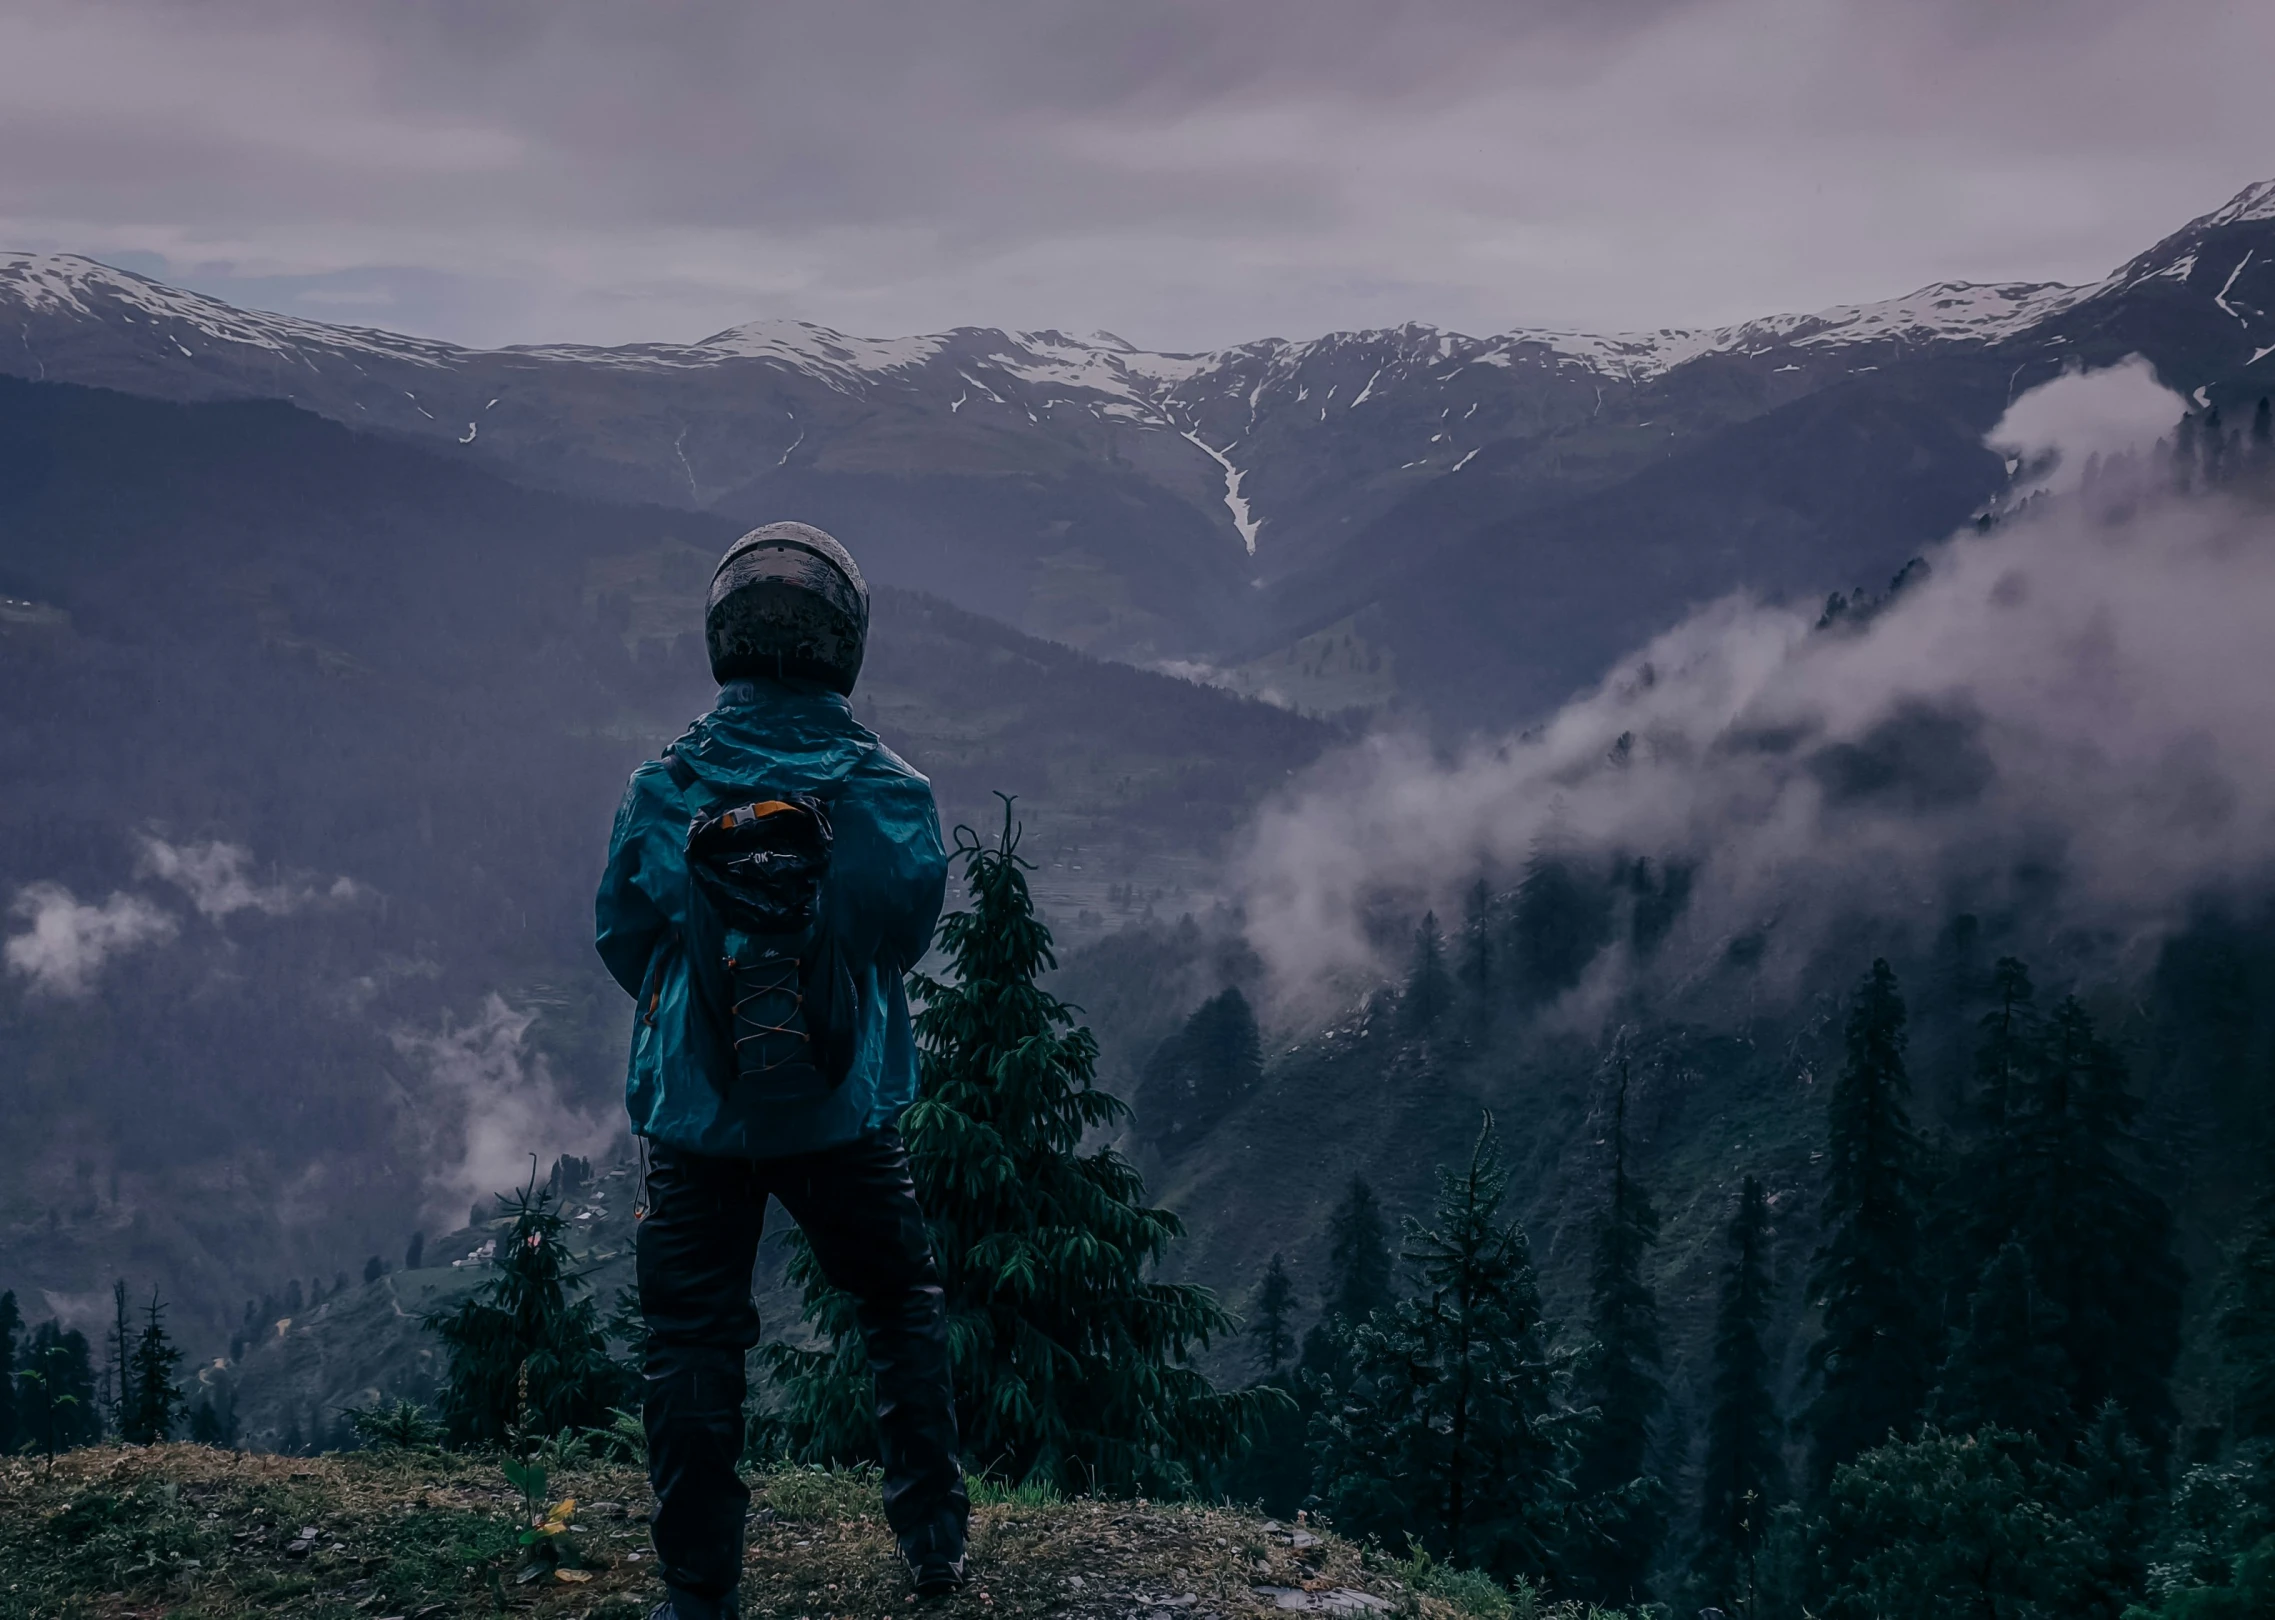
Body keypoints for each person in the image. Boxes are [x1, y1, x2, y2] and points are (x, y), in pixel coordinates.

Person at [595, 522, 967, 1617]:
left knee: (692, 1338)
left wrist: (699, 1003)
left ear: (725, 633)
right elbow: (903, 937)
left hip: (695, 1118)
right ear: (844, 639)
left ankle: (699, 1594)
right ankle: (931, 1544)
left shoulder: (662, 788)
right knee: (896, 1302)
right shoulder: (888, 793)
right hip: (845, 1115)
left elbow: (624, 936)